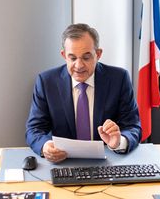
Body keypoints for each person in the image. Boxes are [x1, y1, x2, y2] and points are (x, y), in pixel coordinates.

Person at [25, 23, 141, 163]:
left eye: (86, 58)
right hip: (62, 164)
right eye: (73, 58)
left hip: (109, 162)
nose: (79, 66)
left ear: (98, 54)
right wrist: (46, 146)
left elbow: (133, 126)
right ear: (64, 55)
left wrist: (118, 142)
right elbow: (34, 129)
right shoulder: (46, 82)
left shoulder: (119, 79)